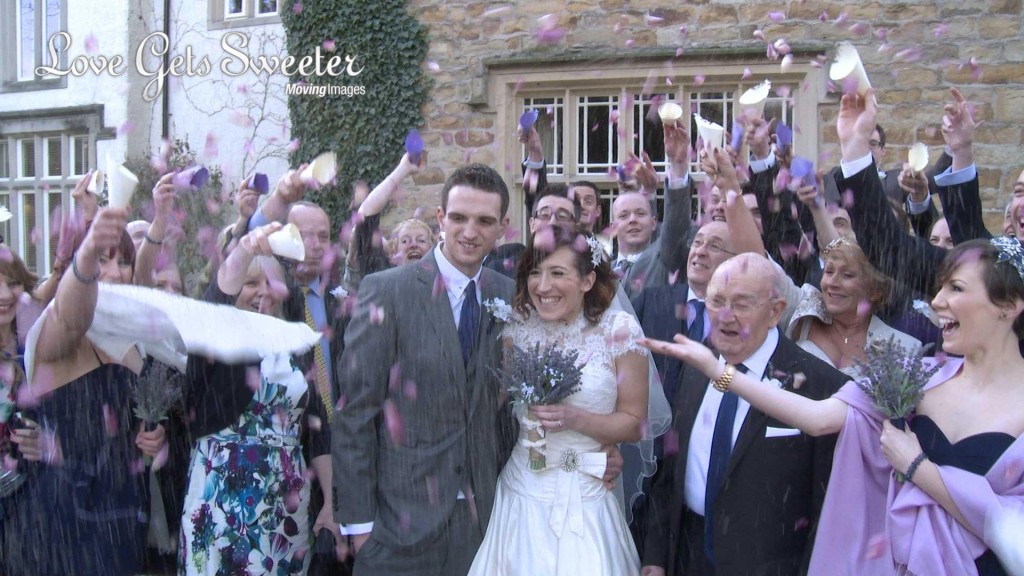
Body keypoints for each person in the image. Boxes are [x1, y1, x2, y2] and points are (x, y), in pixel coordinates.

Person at [645, 234, 1024, 576]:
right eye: (940, 287)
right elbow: (816, 417)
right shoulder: (919, 375)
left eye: (956, 288)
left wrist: (918, 469)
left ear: (1009, 306)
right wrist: (719, 371)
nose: (937, 301)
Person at [334, 163, 517, 575]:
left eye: (484, 221)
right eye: (459, 218)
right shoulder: (388, 290)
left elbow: (509, 412)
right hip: (398, 524)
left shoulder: (508, 295)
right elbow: (356, 411)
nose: (470, 232)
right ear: (440, 219)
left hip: (483, 525)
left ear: (502, 227)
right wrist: (361, 527)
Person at [640, 254, 848, 576]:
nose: (725, 316)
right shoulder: (696, 366)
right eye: (716, 301)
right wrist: (655, 555)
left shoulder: (821, 386)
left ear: (775, 311)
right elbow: (670, 470)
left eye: (741, 304)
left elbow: (826, 509)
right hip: (687, 556)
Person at [468, 223, 650, 576]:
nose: (543, 286)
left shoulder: (619, 331)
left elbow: (635, 423)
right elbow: (492, 403)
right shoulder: (517, 328)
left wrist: (575, 420)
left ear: (587, 280)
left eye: (557, 273)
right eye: (535, 272)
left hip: (586, 497)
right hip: (520, 495)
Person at [8, 204, 165, 576]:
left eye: (122, 262)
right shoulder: (55, 335)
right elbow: (71, 317)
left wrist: (155, 434)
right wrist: (87, 254)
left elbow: (134, 415)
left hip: (122, 510)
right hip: (65, 517)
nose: (114, 273)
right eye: (102, 261)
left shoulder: (133, 337)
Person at [179, 223, 339, 574]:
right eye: (251, 283)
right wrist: (246, 247)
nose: (263, 293)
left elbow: (317, 426)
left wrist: (330, 500)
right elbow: (216, 302)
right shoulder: (213, 339)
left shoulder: (297, 341)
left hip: (288, 503)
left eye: (271, 283)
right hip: (222, 498)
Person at [787, 237, 921, 377]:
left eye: (847, 275)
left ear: (875, 291)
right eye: (829, 271)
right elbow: (773, 275)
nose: (832, 282)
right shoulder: (803, 311)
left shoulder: (905, 349)